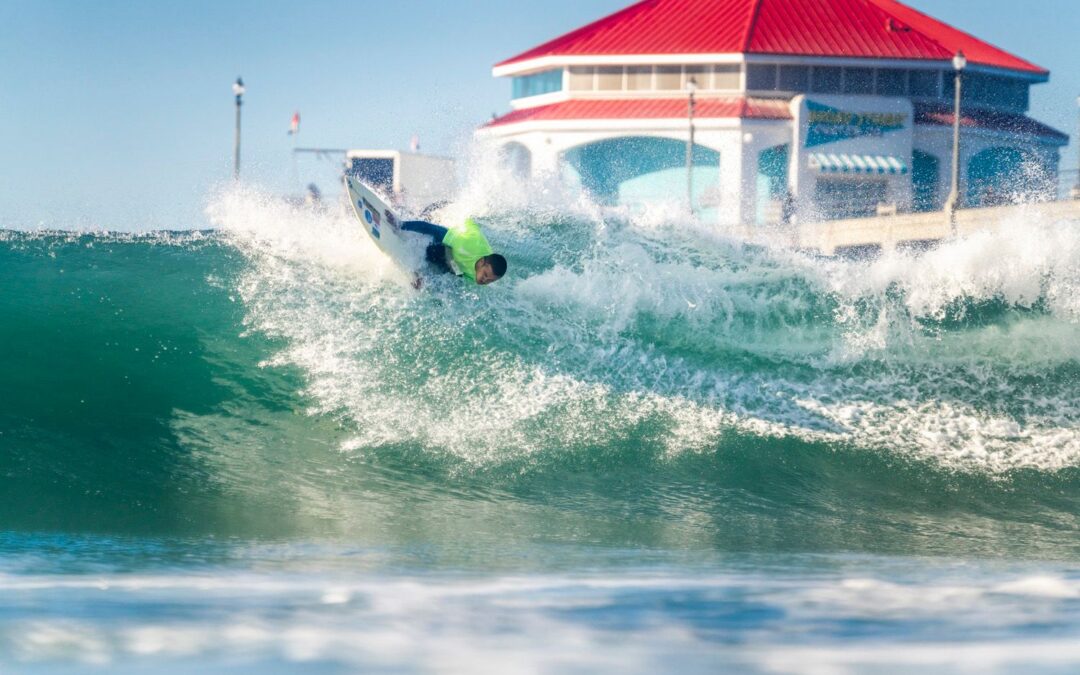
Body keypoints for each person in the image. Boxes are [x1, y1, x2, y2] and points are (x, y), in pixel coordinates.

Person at [401, 217, 507, 285]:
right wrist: (401, 225)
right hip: (455, 227)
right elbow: (432, 229)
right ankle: (416, 271)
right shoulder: (466, 244)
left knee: (453, 277)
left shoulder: (480, 277)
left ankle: (421, 277)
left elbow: (456, 275)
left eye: (491, 280)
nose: (485, 281)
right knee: (436, 250)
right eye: (485, 275)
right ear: (481, 262)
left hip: (456, 258)